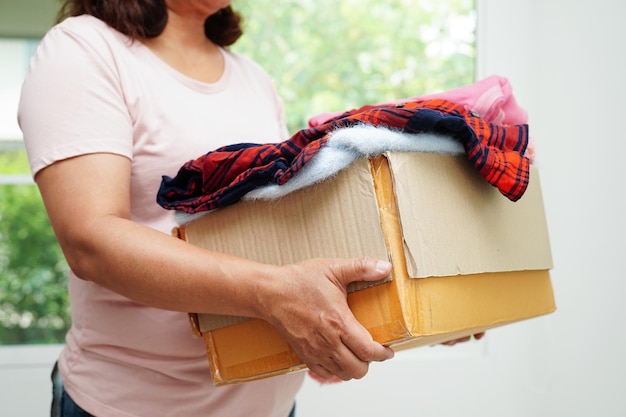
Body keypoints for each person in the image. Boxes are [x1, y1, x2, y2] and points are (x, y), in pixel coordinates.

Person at [19, 1, 481, 416]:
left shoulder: (251, 78)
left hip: (270, 403)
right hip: (129, 405)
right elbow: (91, 241)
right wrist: (273, 293)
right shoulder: (84, 49)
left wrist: (416, 306)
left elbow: (269, 235)